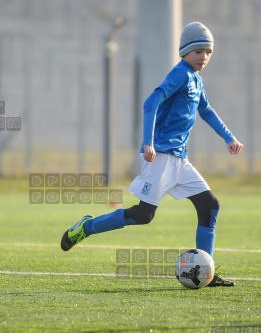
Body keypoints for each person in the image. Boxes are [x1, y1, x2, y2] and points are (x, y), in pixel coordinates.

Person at [60, 22, 244, 287]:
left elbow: (206, 111)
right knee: (143, 215)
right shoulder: (180, 74)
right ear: (185, 52)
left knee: (209, 206)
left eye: (208, 52)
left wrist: (229, 137)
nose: (203, 57)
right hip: (160, 157)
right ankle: (85, 227)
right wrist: (148, 142)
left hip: (180, 160)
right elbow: (151, 101)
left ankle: (207, 272)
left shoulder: (196, 79)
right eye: (198, 52)